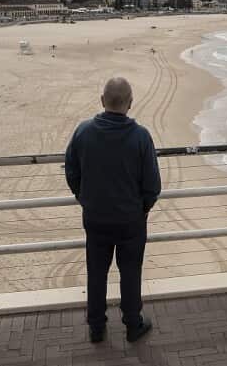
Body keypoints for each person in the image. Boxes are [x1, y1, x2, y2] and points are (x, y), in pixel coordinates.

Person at [64, 77, 161, 344]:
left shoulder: (83, 131)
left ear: (102, 101)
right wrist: (142, 208)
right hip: (130, 219)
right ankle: (132, 324)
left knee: (96, 272)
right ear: (130, 103)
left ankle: (96, 326)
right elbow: (152, 185)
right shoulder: (141, 136)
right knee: (130, 271)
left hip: (95, 218)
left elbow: (71, 170)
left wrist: (83, 197)